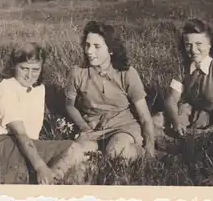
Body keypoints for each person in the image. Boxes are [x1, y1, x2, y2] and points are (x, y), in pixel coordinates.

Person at [0, 42, 98, 184]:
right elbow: (20, 134)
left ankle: (53, 182)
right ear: (14, 66)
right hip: (0, 146)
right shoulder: (5, 89)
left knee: (88, 152)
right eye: (24, 68)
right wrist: (41, 167)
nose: (29, 75)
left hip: (24, 145)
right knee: (74, 150)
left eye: (35, 70)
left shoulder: (37, 89)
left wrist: (84, 128)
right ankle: (46, 185)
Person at [65, 21, 156, 161]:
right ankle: (101, 157)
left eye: (97, 47)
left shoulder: (127, 74)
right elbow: (69, 106)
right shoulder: (77, 73)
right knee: (74, 155)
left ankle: (141, 152)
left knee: (115, 151)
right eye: (87, 45)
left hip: (123, 128)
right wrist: (83, 127)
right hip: (92, 130)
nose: (89, 51)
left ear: (111, 50)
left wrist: (150, 149)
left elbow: (144, 116)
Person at [163, 19, 213, 144]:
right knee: (156, 121)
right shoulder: (184, 66)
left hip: (212, 122)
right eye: (188, 45)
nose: (193, 50)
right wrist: (176, 122)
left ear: (210, 44)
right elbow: (171, 99)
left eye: (199, 44)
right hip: (187, 115)